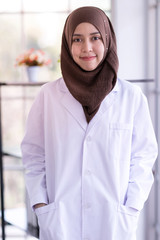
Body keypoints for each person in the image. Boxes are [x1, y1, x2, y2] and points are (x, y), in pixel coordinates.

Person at [21, 6, 158, 240]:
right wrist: (41, 205)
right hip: (61, 223)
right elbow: (33, 155)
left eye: (95, 37)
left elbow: (143, 158)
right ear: (67, 43)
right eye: (77, 39)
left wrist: (131, 207)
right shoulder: (48, 96)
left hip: (114, 223)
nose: (87, 48)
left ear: (107, 39)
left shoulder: (131, 97)